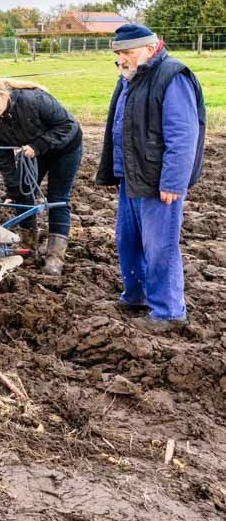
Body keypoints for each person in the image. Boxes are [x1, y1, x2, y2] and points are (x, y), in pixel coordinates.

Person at [96, 24, 206, 332]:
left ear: (150, 48)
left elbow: (183, 134)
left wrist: (173, 181)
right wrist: (116, 171)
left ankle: (169, 311)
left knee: (160, 246)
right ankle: (136, 296)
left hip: (159, 181)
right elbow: (121, 126)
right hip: (131, 177)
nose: (122, 60)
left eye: (128, 53)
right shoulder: (130, 77)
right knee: (128, 241)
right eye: (119, 55)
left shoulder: (172, 75)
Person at [0, 78, 82, 276]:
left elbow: (68, 126)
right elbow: (3, 155)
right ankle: (27, 244)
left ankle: (55, 256)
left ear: (5, 95)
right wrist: (12, 188)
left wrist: (38, 146)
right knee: (22, 192)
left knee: (57, 199)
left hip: (65, 148)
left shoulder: (34, 100)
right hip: (34, 151)